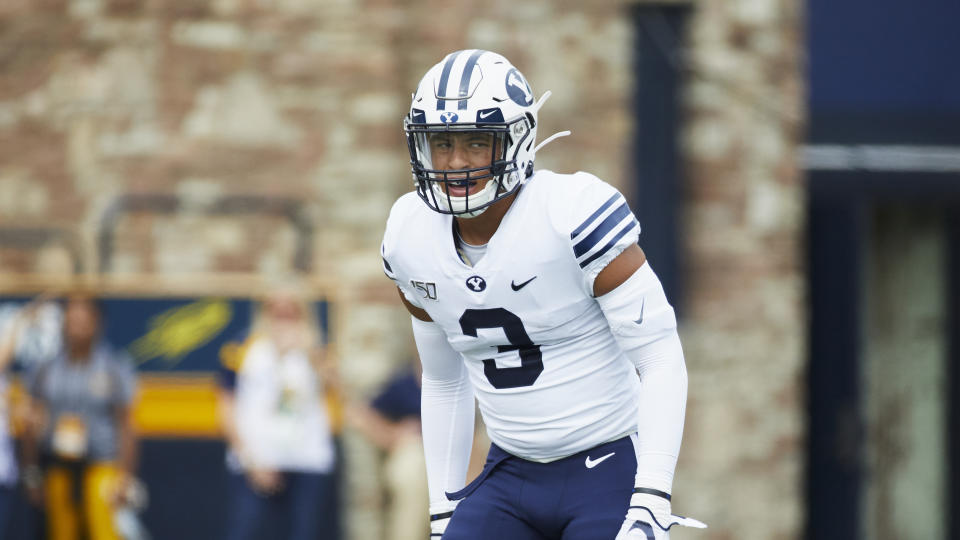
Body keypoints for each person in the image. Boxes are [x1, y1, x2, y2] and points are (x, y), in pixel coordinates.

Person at [380, 50, 706, 540]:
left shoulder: (570, 214)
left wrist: (653, 495)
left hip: (608, 466)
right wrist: (442, 512)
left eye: (475, 143)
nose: (455, 162)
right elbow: (444, 382)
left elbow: (660, 353)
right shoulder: (410, 236)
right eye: (441, 143)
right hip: (509, 471)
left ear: (517, 140)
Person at [217, 288, 337, 540]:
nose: (283, 320)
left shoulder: (318, 349)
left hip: (306, 461)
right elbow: (226, 407)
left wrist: (310, 352)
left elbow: (340, 391)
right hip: (255, 463)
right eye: (276, 312)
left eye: (291, 312)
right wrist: (250, 459)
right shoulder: (241, 348)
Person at [21, 293, 140, 540]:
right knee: (61, 533)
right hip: (58, 464)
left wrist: (125, 475)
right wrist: (32, 471)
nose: (77, 328)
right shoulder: (46, 368)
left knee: (104, 533)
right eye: (72, 320)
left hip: (102, 464)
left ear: (97, 323)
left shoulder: (113, 367)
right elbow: (30, 421)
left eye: (83, 321)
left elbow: (126, 424)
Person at [348, 361, 429, 540]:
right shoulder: (405, 384)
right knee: (411, 473)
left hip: (452, 458)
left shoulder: (465, 381)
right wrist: (394, 435)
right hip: (413, 455)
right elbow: (358, 414)